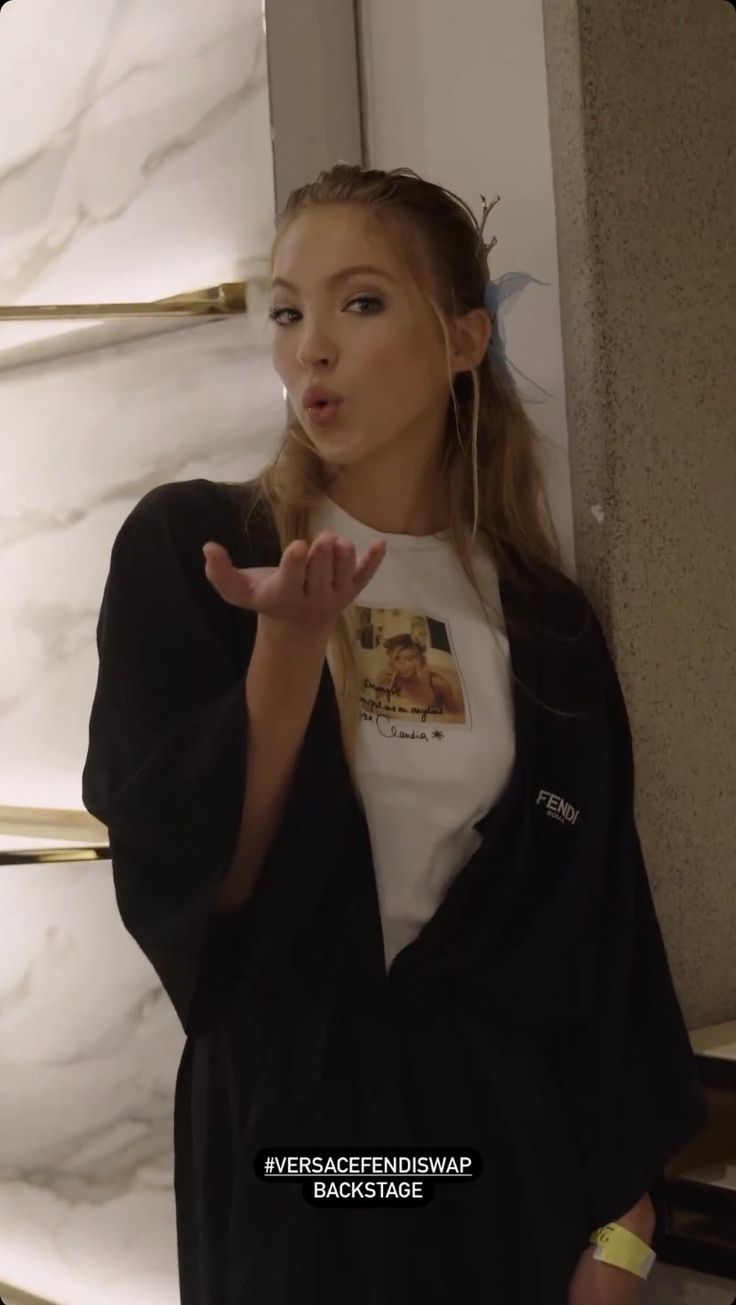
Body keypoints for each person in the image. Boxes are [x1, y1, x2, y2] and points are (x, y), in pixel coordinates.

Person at [82, 164, 706, 1304]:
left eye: (359, 303)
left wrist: (623, 1225)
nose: (310, 346)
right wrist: (287, 649)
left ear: (464, 340)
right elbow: (200, 891)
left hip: (503, 1159)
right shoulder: (196, 552)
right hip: (298, 1156)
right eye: (288, 311)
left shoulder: (542, 619)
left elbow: (604, 930)